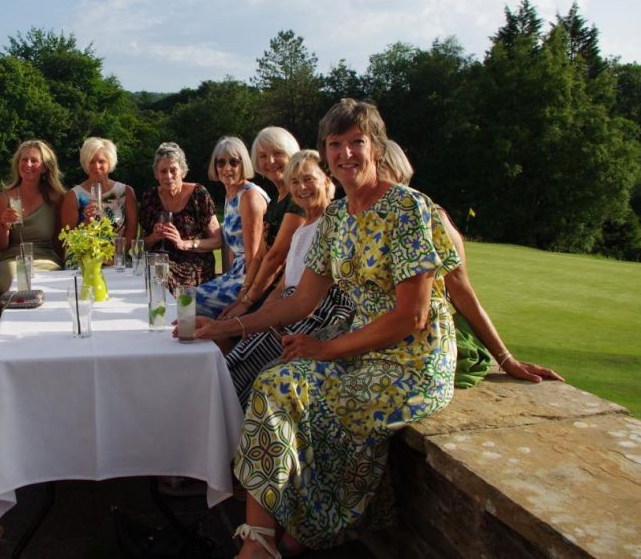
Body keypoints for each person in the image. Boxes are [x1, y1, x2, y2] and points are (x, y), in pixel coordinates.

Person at [195, 98, 460, 556]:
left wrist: (325, 350)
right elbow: (301, 300)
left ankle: (287, 534)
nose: (345, 153)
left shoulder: (407, 208)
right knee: (272, 381)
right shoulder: (336, 218)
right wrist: (226, 327)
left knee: (293, 392)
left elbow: (411, 316)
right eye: (335, 144)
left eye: (357, 142)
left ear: (376, 148)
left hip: (413, 361)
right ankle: (261, 540)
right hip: (359, 349)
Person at [381, 140, 563, 385]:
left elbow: (461, 292)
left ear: (397, 171)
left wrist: (507, 359)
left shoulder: (430, 218)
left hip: (414, 346)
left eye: (378, 167)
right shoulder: (363, 218)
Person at [219, 150, 355, 408]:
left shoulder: (335, 222)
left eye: (308, 179)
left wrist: (254, 320)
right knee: (233, 362)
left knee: (243, 370)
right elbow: (282, 284)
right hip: (285, 311)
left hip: (312, 318)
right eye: (295, 182)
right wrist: (259, 320)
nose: (301, 188)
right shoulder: (302, 228)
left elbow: (310, 298)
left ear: (327, 181)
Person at [222, 127, 306, 317]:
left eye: (277, 153)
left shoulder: (298, 198)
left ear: (291, 153)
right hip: (265, 290)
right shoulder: (275, 200)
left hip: (289, 293)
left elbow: (276, 257)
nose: (270, 161)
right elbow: (260, 256)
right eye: (263, 156)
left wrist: (247, 304)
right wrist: (241, 298)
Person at [194, 137, 268, 318]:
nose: (227, 168)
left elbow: (255, 256)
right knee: (184, 299)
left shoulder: (249, 196)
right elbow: (233, 250)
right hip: (235, 274)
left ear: (243, 164)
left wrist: (244, 298)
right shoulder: (231, 194)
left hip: (250, 278)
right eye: (221, 162)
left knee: (189, 304)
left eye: (234, 162)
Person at [139, 142, 222, 287]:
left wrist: (183, 244)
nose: (168, 176)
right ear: (156, 174)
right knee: (140, 273)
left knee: (160, 275)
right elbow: (141, 245)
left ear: (182, 171)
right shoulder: (149, 197)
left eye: (173, 170)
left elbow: (217, 241)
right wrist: (154, 237)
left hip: (192, 262)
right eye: (163, 171)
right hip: (157, 261)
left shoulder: (198, 194)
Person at [0, 139, 65, 292]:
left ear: (44, 167)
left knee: (49, 288)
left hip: (45, 260)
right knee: (19, 283)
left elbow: (60, 241)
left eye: (34, 161)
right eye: (24, 160)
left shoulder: (56, 198)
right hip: (12, 260)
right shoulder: (5, 198)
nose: (28, 164)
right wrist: (5, 227)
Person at [60, 137, 139, 242]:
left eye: (101, 161)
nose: (96, 166)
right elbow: (68, 238)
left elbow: (132, 232)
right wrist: (86, 222)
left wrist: (120, 250)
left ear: (110, 162)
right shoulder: (74, 195)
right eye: (91, 162)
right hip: (85, 251)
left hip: (119, 251)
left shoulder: (125, 192)